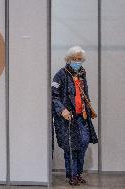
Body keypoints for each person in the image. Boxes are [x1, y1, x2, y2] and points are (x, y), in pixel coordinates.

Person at [52, 46, 98, 186]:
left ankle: (78, 174)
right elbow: (53, 95)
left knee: (83, 145)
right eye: (74, 59)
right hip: (67, 118)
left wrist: (88, 110)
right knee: (71, 148)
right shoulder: (60, 74)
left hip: (81, 117)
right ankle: (72, 175)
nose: (77, 62)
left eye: (79, 59)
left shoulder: (82, 74)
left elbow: (85, 95)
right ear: (68, 59)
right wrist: (62, 110)